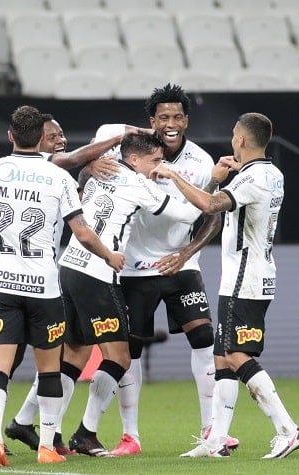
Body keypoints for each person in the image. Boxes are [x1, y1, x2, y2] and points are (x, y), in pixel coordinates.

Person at [0, 105, 125, 466]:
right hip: (43, 287)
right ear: (42, 138)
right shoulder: (58, 176)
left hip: (1, 285)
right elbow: (83, 233)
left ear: (10, 136)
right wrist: (108, 256)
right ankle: (45, 446)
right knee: (49, 370)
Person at [86, 83, 238, 456]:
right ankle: (131, 436)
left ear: (186, 119)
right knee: (129, 351)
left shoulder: (201, 163)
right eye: (163, 117)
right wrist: (89, 163)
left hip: (180, 266)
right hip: (134, 267)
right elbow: (81, 159)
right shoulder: (123, 144)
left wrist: (188, 251)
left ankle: (209, 429)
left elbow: (211, 215)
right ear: (151, 120)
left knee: (204, 339)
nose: (171, 123)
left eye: (178, 116)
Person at [153, 112, 299, 459]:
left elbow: (210, 205)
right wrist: (229, 177)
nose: (231, 139)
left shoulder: (251, 178)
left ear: (240, 140)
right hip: (251, 274)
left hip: (244, 278)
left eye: (234, 134)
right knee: (222, 359)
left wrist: (173, 174)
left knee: (238, 355)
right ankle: (217, 440)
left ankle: (287, 428)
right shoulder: (271, 173)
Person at [58, 132, 202, 457]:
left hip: (68, 267)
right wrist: (175, 175)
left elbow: (80, 178)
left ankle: (47, 432)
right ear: (135, 159)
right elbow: (189, 214)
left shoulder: (101, 168)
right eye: (155, 161)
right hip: (96, 273)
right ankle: (84, 433)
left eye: (163, 162)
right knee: (120, 357)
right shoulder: (139, 184)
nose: (159, 167)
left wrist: (88, 166)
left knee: (73, 354)